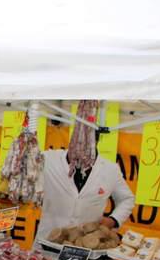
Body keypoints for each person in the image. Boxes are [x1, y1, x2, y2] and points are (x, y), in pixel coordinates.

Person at [37, 102, 135, 239]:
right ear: (74, 137)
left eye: (89, 143)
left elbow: (127, 199)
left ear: (97, 142)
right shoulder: (48, 159)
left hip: (84, 243)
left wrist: (113, 220)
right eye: (80, 141)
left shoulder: (111, 169)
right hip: (47, 240)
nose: (83, 147)